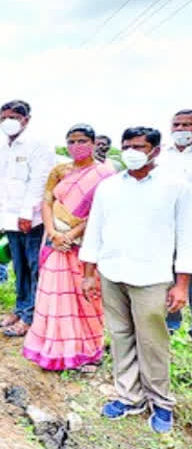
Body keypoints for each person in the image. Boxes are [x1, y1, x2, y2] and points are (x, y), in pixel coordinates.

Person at [81, 127, 192, 434]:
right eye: (126, 145)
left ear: (155, 150)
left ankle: (161, 401)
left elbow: (187, 237)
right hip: (112, 272)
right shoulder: (110, 187)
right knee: (120, 335)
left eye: (139, 146)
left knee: (152, 341)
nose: (131, 151)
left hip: (152, 276)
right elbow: (95, 230)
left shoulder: (176, 187)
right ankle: (130, 396)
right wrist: (88, 273)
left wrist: (181, 284)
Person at [22, 124, 116, 370]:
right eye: (71, 141)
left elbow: (102, 211)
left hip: (85, 244)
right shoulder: (60, 170)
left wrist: (73, 234)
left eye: (82, 141)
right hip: (55, 241)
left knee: (85, 293)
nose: (76, 146)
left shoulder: (105, 174)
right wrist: (53, 232)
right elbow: (47, 201)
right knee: (54, 292)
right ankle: (53, 343)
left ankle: (85, 346)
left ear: (94, 143)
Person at [0, 100, 55, 332]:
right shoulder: (1, 147)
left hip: (32, 220)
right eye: (5, 117)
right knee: (18, 267)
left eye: (15, 117)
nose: (9, 121)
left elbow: (40, 180)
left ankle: (31, 317)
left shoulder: (38, 144)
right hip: (9, 219)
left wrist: (27, 212)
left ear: (26, 120)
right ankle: (20, 309)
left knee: (33, 266)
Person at [160, 109, 192, 337]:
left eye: (187, 125)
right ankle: (171, 323)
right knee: (168, 274)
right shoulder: (162, 155)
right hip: (167, 224)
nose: (181, 130)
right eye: (177, 125)